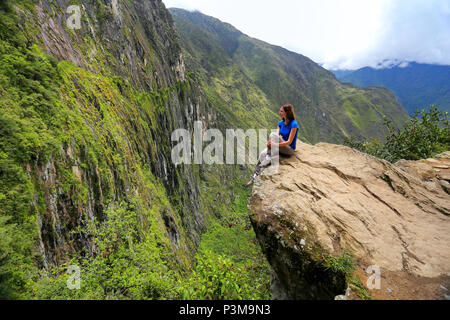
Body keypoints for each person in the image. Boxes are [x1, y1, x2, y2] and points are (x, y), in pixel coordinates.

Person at [246, 104, 299, 186]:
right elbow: (276, 136)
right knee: (261, 154)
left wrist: (274, 144)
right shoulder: (280, 123)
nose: (279, 112)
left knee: (272, 135)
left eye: (281, 111)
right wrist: (270, 143)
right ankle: (254, 177)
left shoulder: (294, 124)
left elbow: (289, 141)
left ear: (286, 113)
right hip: (280, 146)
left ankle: (269, 156)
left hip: (289, 149)